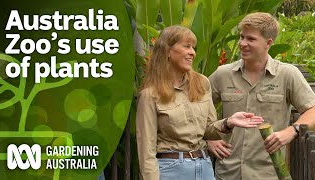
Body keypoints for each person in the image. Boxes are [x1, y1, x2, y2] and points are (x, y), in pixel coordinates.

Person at [135, 25, 264, 180]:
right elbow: (146, 151)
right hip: (171, 169)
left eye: (193, 48)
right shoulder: (150, 95)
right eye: (186, 46)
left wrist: (228, 123)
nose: (192, 53)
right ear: (167, 51)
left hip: (204, 166)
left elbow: (208, 130)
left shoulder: (201, 83)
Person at [207, 12, 315, 180]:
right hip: (228, 172)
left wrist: (291, 130)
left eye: (251, 39)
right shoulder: (223, 74)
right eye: (242, 37)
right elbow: (195, 105)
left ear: (268, 43)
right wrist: (209, 138)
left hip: (268, 174)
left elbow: (313, 109)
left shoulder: (287, 74)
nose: (243, 43)